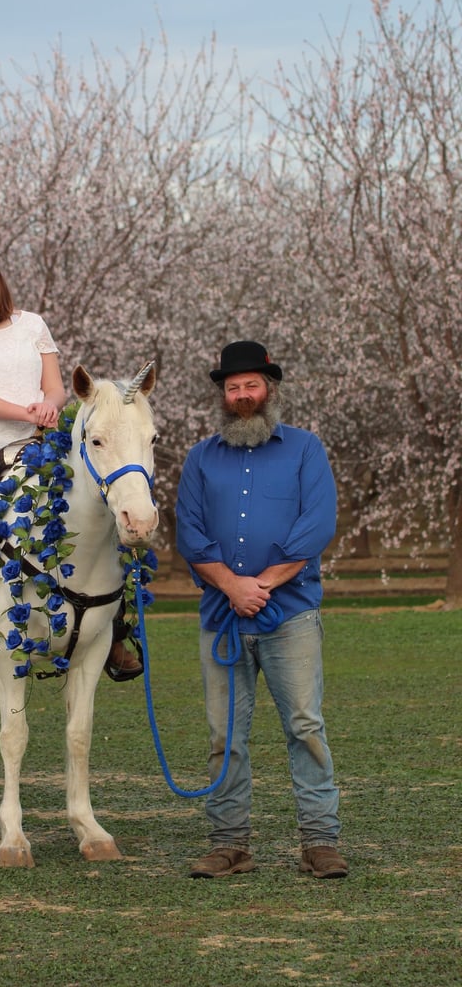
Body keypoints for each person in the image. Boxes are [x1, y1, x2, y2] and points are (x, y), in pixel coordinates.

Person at [0, 246, 143, 678]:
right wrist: (27, 411)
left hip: (36, 439)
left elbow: (54, 387)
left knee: (99, 508)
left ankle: (115, 629)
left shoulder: (32, 324)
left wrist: (50, 407)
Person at [175, 341, 347, 880]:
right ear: (222, 395)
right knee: (225, 736)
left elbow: (315, 525)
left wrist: (262, 585)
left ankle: (320, 841)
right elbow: (190, 532)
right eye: (232, 388)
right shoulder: (201, 458)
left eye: (251, 385)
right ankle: (230, 844)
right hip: (222, 617)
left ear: (269, 388)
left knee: (305, 725)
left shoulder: (305, 449)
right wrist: (232, 586)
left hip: (289, 615)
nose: (242, 395)